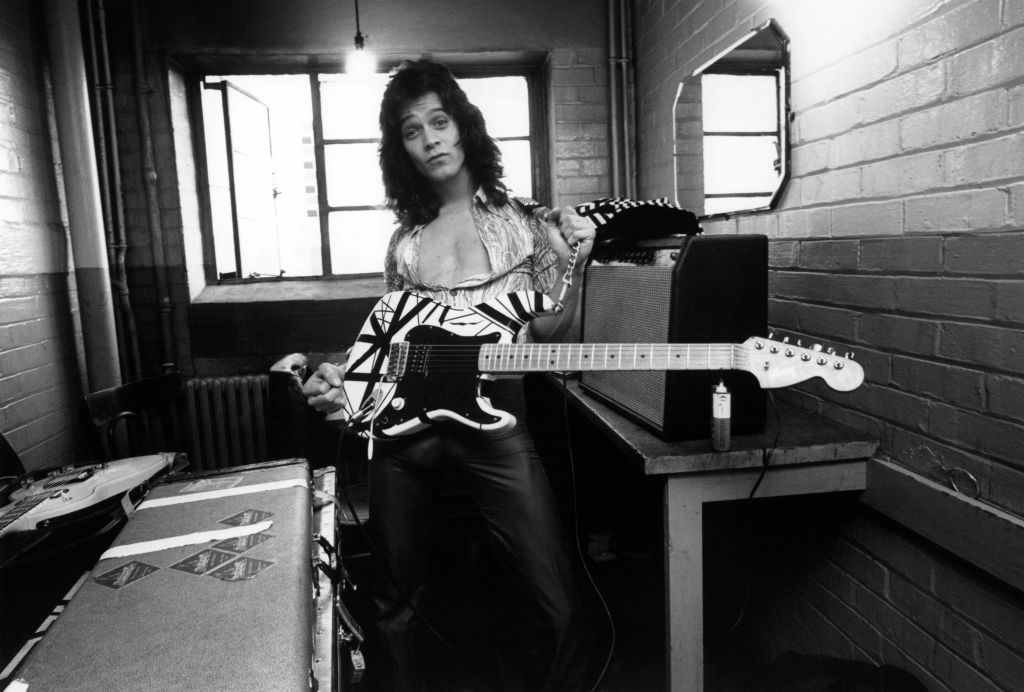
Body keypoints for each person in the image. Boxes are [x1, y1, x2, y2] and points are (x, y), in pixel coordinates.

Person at [303, 59, 596, 691]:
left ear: (464, 126)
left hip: (497, 420)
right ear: (401, 150)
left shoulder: (526, 220)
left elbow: (553, 333)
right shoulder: (404, 242)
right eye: (412, 131)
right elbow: (395, 344)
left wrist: (575, 260)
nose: (430, 140)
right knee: (395, 596)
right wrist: (343, 380)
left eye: (439, 122)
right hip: (406, 437)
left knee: (553, 594)